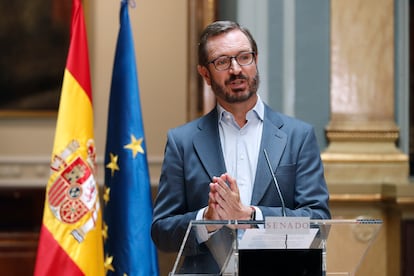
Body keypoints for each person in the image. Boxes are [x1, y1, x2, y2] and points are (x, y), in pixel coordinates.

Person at [151, 20, 331, 273]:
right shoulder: (183, 142)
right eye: (222, 62)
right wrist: (208, 220)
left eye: (244, 57)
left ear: (255, 60)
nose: (236, 69)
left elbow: (319, 222)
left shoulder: (297, 136)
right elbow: (162, 231)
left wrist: (250, 216)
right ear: (205, 73)